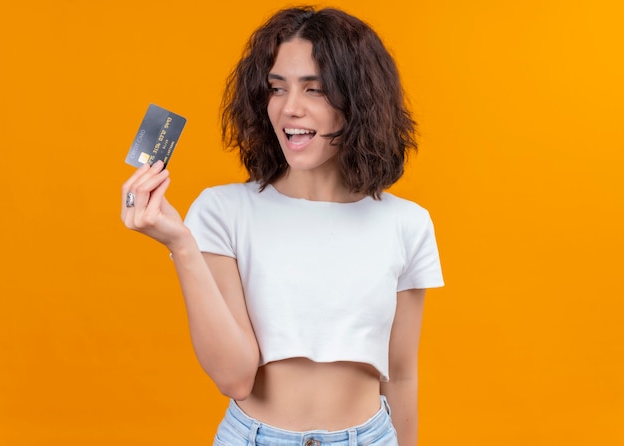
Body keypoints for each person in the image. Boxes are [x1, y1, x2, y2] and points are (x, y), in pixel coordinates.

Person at [121, 6, 443, 445]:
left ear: (359, 101)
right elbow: (235, 379)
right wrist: (181, 245)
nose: (290, 109)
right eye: (277, 88)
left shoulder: (407, 223)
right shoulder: (223, 211)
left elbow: (402, 375)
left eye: (315, 90)